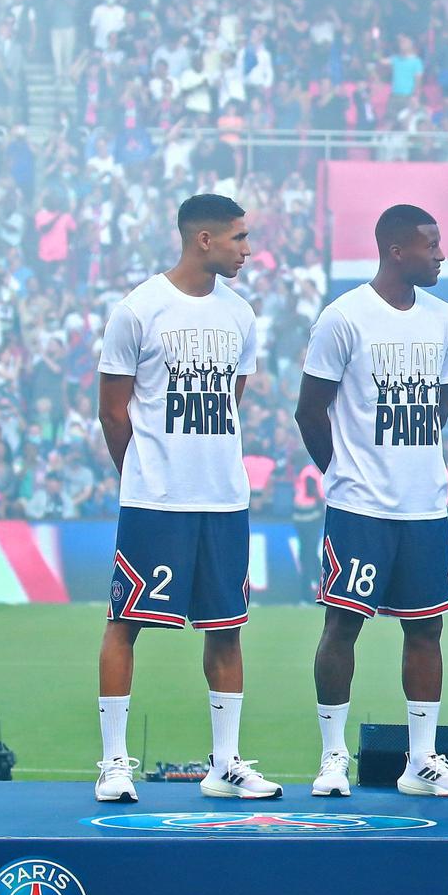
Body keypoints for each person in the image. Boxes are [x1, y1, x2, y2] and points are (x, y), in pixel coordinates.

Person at [92, 193, 277, 804]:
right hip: (155, 500)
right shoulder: (139, 310)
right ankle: (113, 763)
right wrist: (142, 473)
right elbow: (112, 412)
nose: (247, 250)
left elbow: (233, 400)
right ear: (204, 240)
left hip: (223, 498)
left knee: (226, 629)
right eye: (239, 239)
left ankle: (225, 764)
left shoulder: (241, 315)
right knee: (125, 622)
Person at [295, 205, 448, 799]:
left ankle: (421, 761)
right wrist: (343, 471)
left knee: (427, 630)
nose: (441, 255)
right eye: (431, 245)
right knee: (342, 625)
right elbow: (309, 409)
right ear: (397, 250)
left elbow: (442, 405)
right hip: (359, 508)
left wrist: (411, 460)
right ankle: (332, 757)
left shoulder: (444, 319)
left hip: (424, 506)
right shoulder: (344, 318)